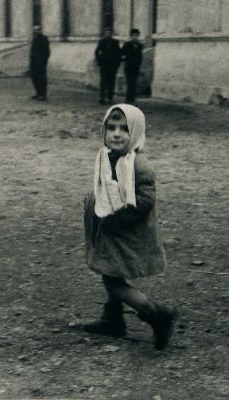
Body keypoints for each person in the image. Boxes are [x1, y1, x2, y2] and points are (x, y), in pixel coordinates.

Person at [75, 104, 177, 350]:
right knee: (109, 271)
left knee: (113, 281)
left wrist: (115, 219)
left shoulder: (138, 164)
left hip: (125, 232)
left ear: (137, 132)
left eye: (124, 129)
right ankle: (113, 319)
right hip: (110, 229)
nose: (117, 134)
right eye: (111, 128)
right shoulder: (108, 157)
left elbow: (145, 200)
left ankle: (156, 313)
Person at [95, 28, 121, 105]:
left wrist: (117, 64)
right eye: (107, 33)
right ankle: (102, 97)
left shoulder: (115, 42)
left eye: (110, 33)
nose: (108, 34)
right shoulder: (101, 41)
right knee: (103, 81)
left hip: (112, 65)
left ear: (112, 34)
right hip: (104, 65)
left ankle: (110, 98)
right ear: (105, 33)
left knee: (111, 82)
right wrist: (99, 61)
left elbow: (118, 53)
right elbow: (97, 52)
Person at [121, 28, 143, 104]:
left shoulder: (140, 45)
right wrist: (125, 60)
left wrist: (139, 66)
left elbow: (140, 57)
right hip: (128, 67)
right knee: (129, 83)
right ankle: (128, 100)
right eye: (133, 35)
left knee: (134, 83)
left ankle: (132, 99)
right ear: (131, 36)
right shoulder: (127, 44)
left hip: (136, 68)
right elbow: (122, 54)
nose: (135, 37)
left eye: (136, 35)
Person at [29, 25, 50, 101]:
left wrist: (43, 61)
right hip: (34, 62)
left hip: (41, 62)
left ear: (40, 30)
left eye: (37, 30)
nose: (35, 31)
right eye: (34, 30)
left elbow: (47, 51)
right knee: (35, 78)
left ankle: (43, 95)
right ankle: (38, 93)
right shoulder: (34, 39)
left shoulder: (44, 38)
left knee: (41, 78)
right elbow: (32, 51)